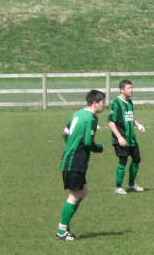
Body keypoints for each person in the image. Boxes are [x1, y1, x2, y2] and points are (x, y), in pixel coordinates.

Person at [58, 90, 108, 241]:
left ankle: (65, 227)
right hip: (75, 161)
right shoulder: (91, 118)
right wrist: (98, 148)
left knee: (83, 191)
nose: (104, 105)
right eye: (102, 102)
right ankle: (61, 231)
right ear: (94, 103)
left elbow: (65, 133)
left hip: (70, 158)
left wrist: (71, 146)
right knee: (75, 195)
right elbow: (88, 142)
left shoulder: (77, 113)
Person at [109, 79, 147, 193]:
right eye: (129, 88)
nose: (132, 90)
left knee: (136, 159)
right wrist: (119, 137)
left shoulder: (130, 102)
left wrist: (138, 124)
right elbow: (111, 122)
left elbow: (130, 117)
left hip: (131, 139)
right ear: (121, 90)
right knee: (123, 161)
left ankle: (131, 184)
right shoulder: (116, 103)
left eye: (132, 88)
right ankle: (118, 187)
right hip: (121, 139)